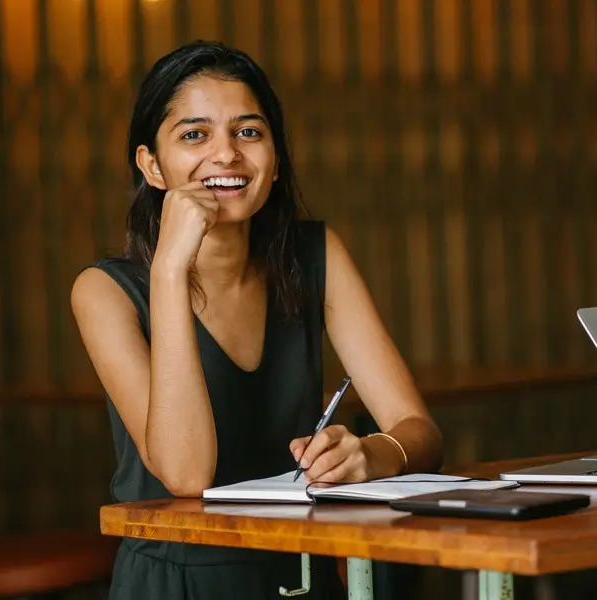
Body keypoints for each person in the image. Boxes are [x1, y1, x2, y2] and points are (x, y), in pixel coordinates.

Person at [71, 40, 443, 599]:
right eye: (195, 135)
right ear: (151, 165)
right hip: (179, 582)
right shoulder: (105, 291)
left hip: (300, 572)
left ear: (275, 159)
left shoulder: (317, 256)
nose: (226, 155)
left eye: (248, 132)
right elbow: (186, 475)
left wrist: (371, 453)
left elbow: (420, 431)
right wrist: (170, 270)